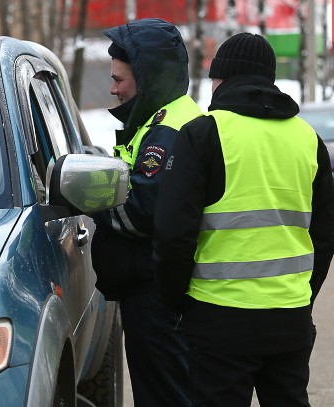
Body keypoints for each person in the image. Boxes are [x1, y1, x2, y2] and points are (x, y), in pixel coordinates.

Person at [152, 32, 334, 406]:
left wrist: (176, 303)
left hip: (218, 320)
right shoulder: (308, 138)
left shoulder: (203, 134)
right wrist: (301, 298)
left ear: (221, 78)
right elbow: (325, 237)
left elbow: (173, 235)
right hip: (289, 319)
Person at [90, 18, 202, 406]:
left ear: (147, 77)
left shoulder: (168, 129)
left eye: (120, 79)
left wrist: (90, 201)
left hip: (158, 296)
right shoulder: (162, 120)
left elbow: (141, 213)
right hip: (156, 290)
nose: (113, 88)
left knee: (166, 396)